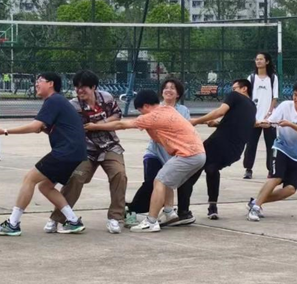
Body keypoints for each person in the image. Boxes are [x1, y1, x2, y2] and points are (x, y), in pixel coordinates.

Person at [86, 89, 206, 233]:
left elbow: (120, 125)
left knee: (159, 181)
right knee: (167, 179)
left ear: (146, 106)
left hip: (188, 155)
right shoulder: (168, 109)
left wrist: (95, 126)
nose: (141, 114)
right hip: (198, 154)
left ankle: (151, 221)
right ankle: (169, 212)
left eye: (140, 111)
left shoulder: (152, 116)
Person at [0, 73, 87, 236]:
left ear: (51, 84)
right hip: (76, 152)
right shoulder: (58, 101)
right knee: (45, 186)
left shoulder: (53, 100)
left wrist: (5, 131)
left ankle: (13, 224)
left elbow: (35, 126)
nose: (36, 84)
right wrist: (45, 129)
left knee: (30, 179)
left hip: (66, 151)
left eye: (40, 81)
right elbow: (52, 127)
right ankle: (73, 221)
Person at [44, 70, 127, 235]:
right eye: (77, 87)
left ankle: (116, 217)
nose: (79, 90)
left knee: (119, 174)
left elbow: (117, 116)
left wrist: (98, 125)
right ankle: (58, 218)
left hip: (110, 145)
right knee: (75, 177)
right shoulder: (73, 105)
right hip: (85, 149)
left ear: (93, 87)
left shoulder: (106, 98)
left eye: (84, 87)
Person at [178, 79, 256, 221]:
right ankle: (212, 207)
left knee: (192, 168)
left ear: (244, 88)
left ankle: (183, 210)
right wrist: (217, 124)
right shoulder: (252, 106)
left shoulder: (235, 96)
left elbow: (220, 111)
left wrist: (196, 121)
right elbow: (237, 123)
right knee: (211, 168)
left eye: (235, 88)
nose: (232, 91)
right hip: (235, 150)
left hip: (218, 142)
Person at [247, 81, 297, 220]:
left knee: (290, 189)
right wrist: (261, 123)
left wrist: (290, 124)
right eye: (295, 95)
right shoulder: (285, 105)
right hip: (281, 147)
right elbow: (270, 122)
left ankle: (255, 202)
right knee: (276, 177)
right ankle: (255, 209)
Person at [125, 78, 192, 226]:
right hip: (155, 153)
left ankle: (170, 211)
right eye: (166, 88)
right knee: (151, 183)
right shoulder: (155, 108)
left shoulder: (183, 110)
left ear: (178, 94)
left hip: (174, 154)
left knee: (168, 183)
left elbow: (186, 130)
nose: (168, 90)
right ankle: (132, 209)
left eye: (172, 88)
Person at [243, 51, 279, 179]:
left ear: (267, 61)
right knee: (251, 145)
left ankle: (271, 169)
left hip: (269, 119)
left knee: (271, 145)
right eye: (257, 59)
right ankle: (248, 169)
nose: (258, 61)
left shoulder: (273, 78)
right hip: (254, 119)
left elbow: (274, 97)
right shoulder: (251, 78)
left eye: (261, 59)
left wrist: (269, 114)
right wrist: (251, 115)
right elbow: (247, 97)